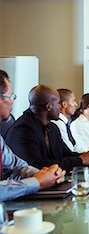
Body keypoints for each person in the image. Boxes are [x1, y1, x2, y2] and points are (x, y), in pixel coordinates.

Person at [0, 72, 65, 201]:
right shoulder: (24, 127)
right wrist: (37, 182)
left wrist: (47, 175)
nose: (13, 101)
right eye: (10, 96)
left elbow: (16, 167)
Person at [6, 85, 89, 172]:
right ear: (49, 107)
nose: (60, 107)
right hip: (29, 186)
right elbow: (37, 166)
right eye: (58, 103)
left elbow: (65, 154)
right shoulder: (23, 129)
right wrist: (80, 160)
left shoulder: (52, 128)